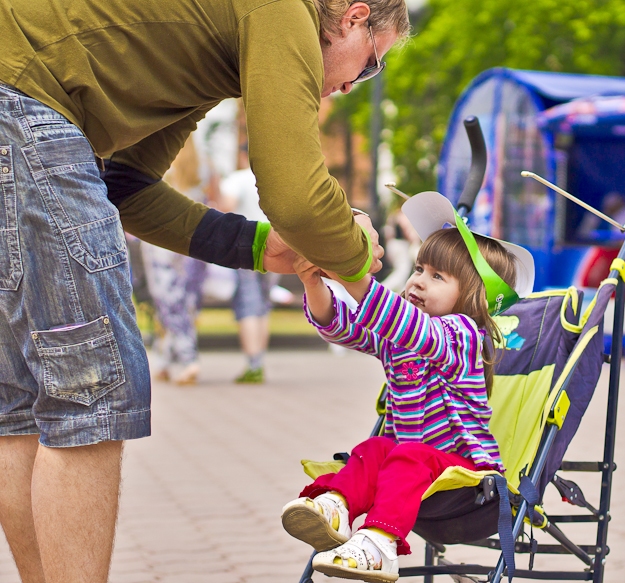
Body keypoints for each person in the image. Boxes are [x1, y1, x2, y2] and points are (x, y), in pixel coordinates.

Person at [0, 0, 406, 580]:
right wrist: (360, 256)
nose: (349, 87)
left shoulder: (208, 50)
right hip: (25, 102)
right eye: (369, 65)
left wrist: (259, 247)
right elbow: (296, 197)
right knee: (92, 392)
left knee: (25, 401)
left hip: (16, 95)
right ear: (353, 18)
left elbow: (127, 186)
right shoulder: (284, 11)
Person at [280, 192, 533, 582]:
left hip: (463, 476)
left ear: (473, 296)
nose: (417, 281)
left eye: (437, 276)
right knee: (375, 448)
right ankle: (335, 508)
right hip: (408, 464)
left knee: (407, 454)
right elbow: (344, 327)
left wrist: (351, 274)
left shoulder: (462, 334)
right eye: (418, 269)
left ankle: (380, 544)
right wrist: (313, 282)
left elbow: (414, 329)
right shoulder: (402, 337)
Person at [141, 137, 209, 385]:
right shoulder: (202, 167)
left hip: (160, 242)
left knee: (168, 301)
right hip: (195, 240)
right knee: (185, 301)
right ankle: (165, 359)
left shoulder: (158, 163)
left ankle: (188, 359)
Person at [219, 168, 277, 383]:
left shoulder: (239, 178)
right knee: (263, 306)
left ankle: (253, 365)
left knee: (249, 304)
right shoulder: (274, 176)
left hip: (248, 246)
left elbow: (227, 205)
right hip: (276, 245)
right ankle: (259, 361)